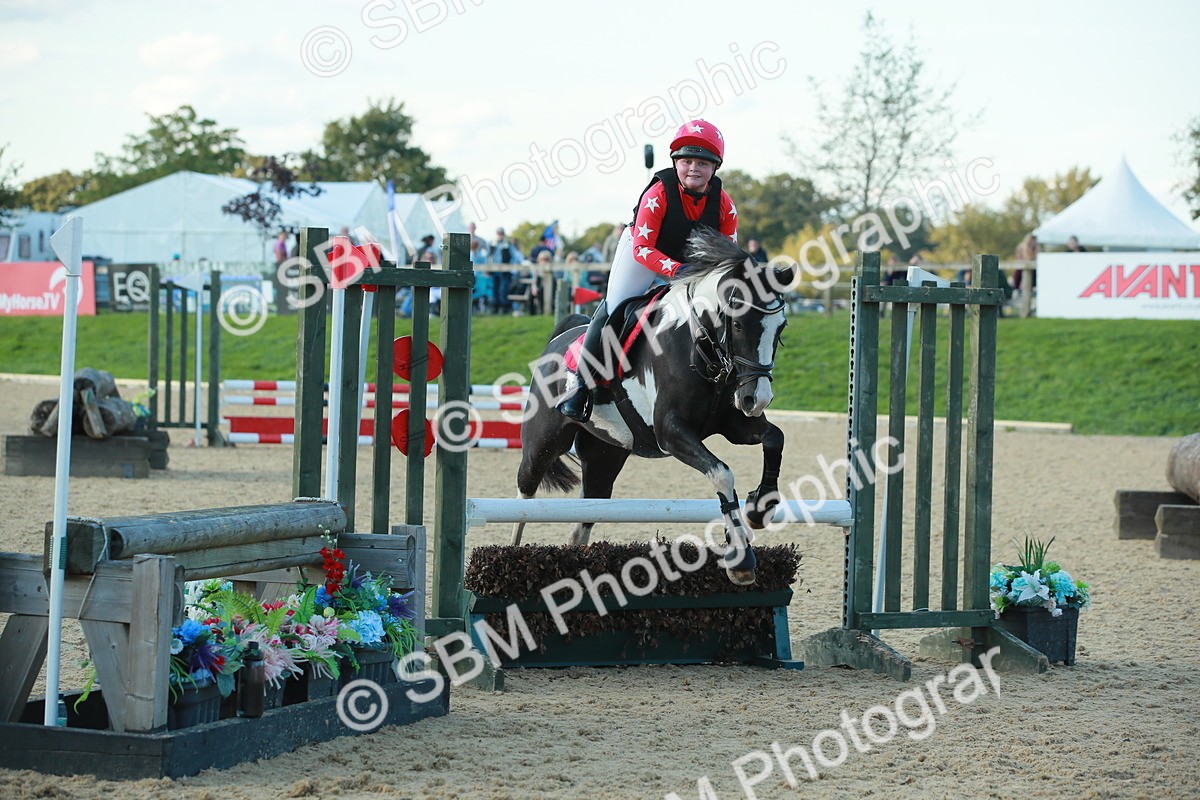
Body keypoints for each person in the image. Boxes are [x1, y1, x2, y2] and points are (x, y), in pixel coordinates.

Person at [557, 118, 738, 421]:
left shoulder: (725, 206)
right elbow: (643, 249)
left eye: (703, 163)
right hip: (642, 253)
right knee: (615, 307)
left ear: (715, 168)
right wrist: (679, 271)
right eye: (687, 161)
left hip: (687, 264)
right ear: (675, 163)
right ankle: (582, 385)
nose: (694, 168)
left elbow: (729, 259)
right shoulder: (658, 194)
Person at [490, 228, 522, 314]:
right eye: (498, 233)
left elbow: (514, 257)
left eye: (501, 233)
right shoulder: (492, 243)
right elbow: (489, 256)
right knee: (495, 289)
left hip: (505, 271)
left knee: (503, 289)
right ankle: (495, 307)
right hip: (495, 270)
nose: (500, 235)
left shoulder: (508, 244)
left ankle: (504, 307)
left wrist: (510, 267)